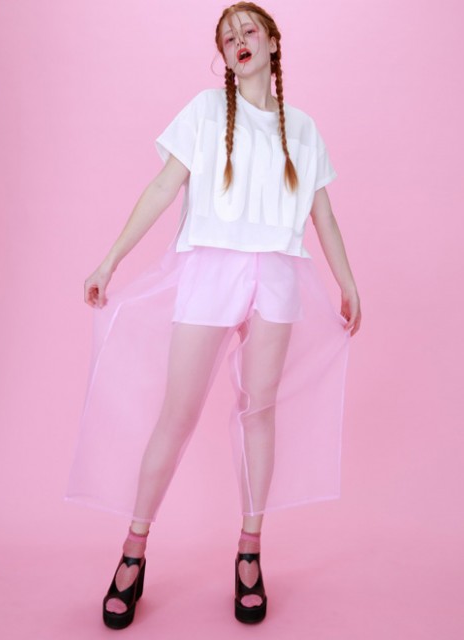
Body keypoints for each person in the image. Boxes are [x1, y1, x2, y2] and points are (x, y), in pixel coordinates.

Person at [66, 1, 361, 629]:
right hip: (210, 271)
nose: (239, 40)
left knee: (259, 411)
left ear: (273, 42)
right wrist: (109, 261)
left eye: (249, 30)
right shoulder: (205, 111)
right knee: (178, 414)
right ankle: (133, 549)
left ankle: (250, 550)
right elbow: (161, 188)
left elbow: (324, 216)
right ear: (224, 57)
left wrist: (347, 282)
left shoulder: (304, 128)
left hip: (276, 275)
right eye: (228, 37)